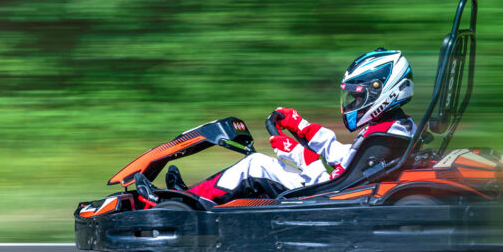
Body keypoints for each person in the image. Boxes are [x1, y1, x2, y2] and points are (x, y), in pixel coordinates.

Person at [167, 48, 416, 204]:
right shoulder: (394, 127)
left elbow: (333, 182)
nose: (354, 102)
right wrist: (301, 127)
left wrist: (293, 151)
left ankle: (188, 203)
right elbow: (346, 157)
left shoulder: (381, 138)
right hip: (337, 190)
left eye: (359, 97)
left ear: (382, 93)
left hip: (320, 197)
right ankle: (196, 197)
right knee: (260, 163)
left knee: (255, 165)